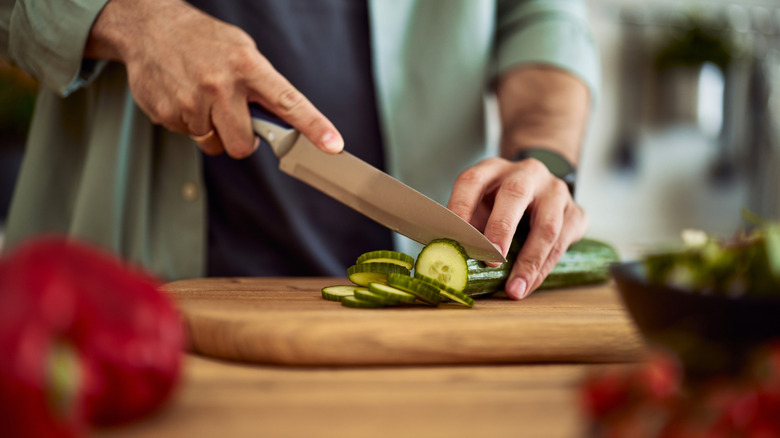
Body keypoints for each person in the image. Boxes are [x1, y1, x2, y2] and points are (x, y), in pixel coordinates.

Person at [0, 0, 598, 300]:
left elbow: (543, 21)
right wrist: (131, 20)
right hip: (119, 276)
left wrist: (544, 159)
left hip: (417, 331)